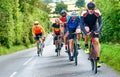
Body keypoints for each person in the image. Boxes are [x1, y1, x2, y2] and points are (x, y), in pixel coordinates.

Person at [80, 2, 102, 67]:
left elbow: (100, 23)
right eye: (90, 9)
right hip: (86, 25)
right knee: (87, 30)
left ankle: (98, 60)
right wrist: (85, 32)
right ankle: (86, 45)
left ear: (94, 8)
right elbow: (81, 24)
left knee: (96, 42)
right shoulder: (84, 13)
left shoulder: (97, 12)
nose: (91, 10)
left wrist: (98, 30)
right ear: (87, 8)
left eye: (92, 9)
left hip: (94, 26)